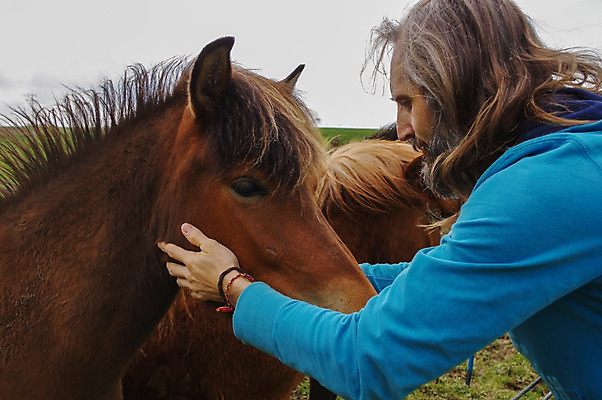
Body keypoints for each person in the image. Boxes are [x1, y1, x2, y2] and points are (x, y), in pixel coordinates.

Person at [158, 0, 602, 398]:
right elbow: (445, 275)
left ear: (458, 86)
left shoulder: (543, 189)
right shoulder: (566, 159)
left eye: (408, 101)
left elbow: (367, 362)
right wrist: (301, 275)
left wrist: (232, 287)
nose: (402, 128)